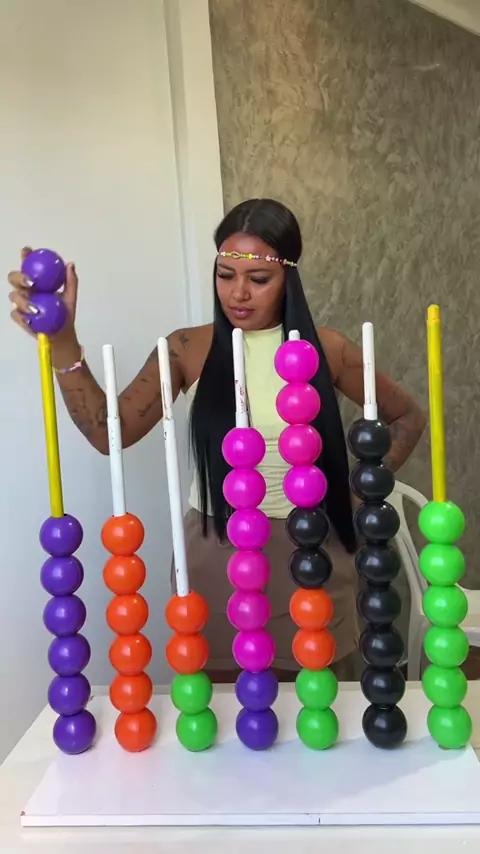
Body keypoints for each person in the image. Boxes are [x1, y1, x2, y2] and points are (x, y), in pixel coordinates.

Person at [8, 198, 426, 682]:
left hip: (313, 553)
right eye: (225, 275)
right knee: (225, 712)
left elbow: (407, 416)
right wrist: (63, 342)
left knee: (321, 702)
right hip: (217, 556)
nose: (238, 293)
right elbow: (108, 433)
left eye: (258, 279)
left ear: (288, 278)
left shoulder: (326, 349)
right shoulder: (188, 348)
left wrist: (360, 489)